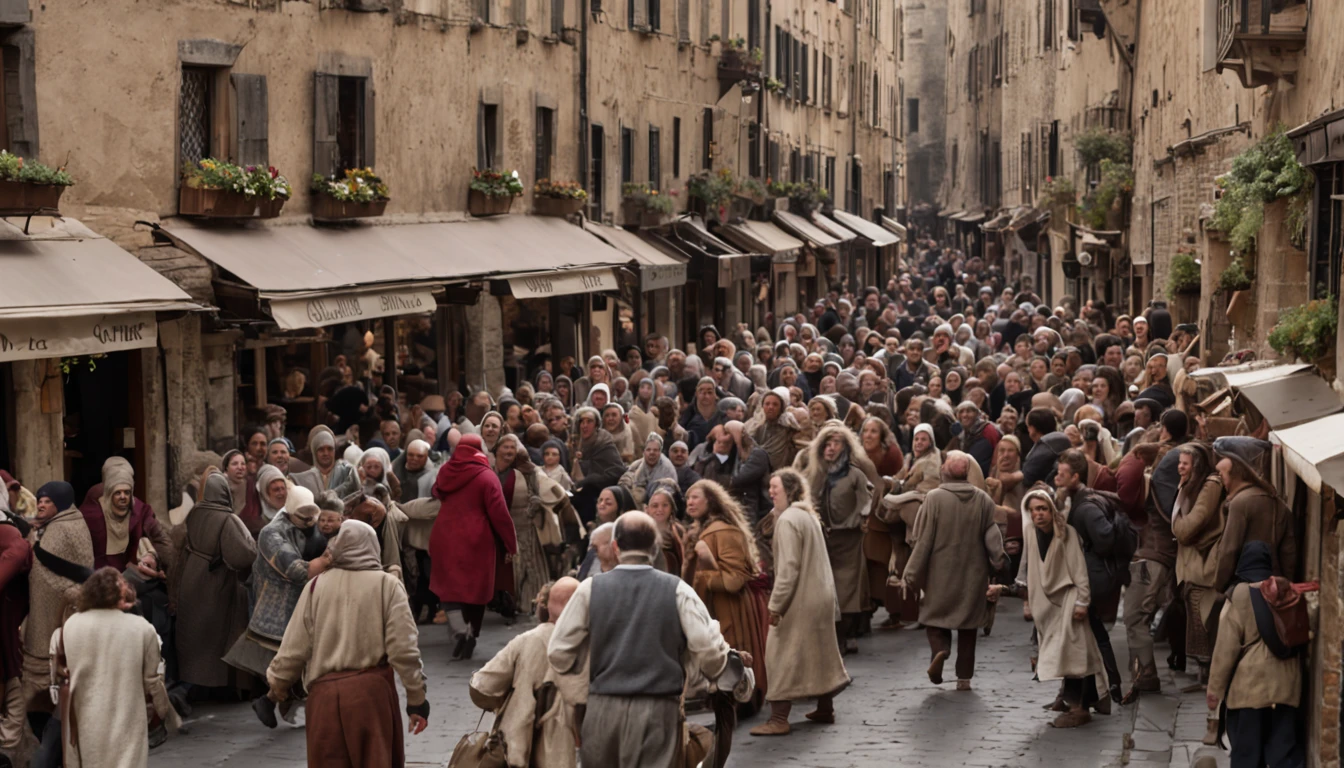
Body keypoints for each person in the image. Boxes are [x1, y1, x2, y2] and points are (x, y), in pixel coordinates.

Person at [548, 511, 743, 768]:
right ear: (654, 549)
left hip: (603, 707)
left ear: (616, 546)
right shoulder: (678, 590)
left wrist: (591, 677)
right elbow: (708, 651)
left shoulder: (589, 588)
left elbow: (559, 652)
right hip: (658, 709)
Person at [266, 520, 429, 768]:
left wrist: (277, 685)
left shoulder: (315, 587)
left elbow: (293, 648)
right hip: (371, 698)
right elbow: (404, 649)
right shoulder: (387, 585)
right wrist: (416, 699)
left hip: (324, 699)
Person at [989, 491, 1105, 728]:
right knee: (1075, 653)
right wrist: (1005, 589)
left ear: (1052, 510)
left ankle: (1078, 708)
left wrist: (1083, 601)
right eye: (1034, 510)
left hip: (1069, 598)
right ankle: (1086, 700)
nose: (1038, 514)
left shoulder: (1067, 534)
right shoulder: (1030, 533)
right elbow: (1030, 569)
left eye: (1042, 509)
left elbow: (1079, 569)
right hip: (1047, 605)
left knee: (1072, 653)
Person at [750, 470, 850, 736]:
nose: (771, 492)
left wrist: (776, 605)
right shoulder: (807, 516)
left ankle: (779, 718)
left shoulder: (788, 521)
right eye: (769, 487)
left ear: (790, 490)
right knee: (819, 652)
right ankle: (825, 707)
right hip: (820, 596)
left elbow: (789, 568)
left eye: (775, 487)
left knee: (779, 653)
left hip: (800, 599)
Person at [51, 567, 178, 768]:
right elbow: (152, 680)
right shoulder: (142, 628)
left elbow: (60, 668)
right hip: (127, 717)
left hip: (86, 716)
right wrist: (164, 711)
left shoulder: (71, 625)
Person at [899, 452, 1005, 690]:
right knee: (968, 628)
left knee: (935, 620)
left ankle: (941, 650)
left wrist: (911, 574)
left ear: (945, 471)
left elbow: (923, 541)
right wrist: (999, 562)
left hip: (940, 575)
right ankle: (964, 679)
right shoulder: (983, 500)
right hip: (973, 576)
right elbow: (993, 537)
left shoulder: (934, 498)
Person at [228, 485, 324, 727]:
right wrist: (329, 560)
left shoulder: (312, 523)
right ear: (290, 511)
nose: (309, 522)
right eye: (304, 518)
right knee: (293, 659)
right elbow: (295, 570)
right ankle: (273, 701)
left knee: (298, 659)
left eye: (313, 518)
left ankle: (273, 701)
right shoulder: (271, 534)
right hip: (278, 609)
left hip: (306, 605)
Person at [1206, 543, 1306, 768]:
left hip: (1250, 689)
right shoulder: (1286, 590)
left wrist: (1214, 691)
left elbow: (1225, 650)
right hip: (1287, 687)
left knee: (1247, 758)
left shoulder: (1239, 595)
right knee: (1283, 756)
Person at [469, 578, 587, 768]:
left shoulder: (526, 641)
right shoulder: (592, 645)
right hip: (571, 749)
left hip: (519, 747)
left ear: (546, 605)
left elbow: (483, 688)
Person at [429, 434, 518, 660]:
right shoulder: (487, 477)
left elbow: (436, 491)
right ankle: (472, 632)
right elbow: (499, 514)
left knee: (448, 587)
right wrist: (510, 543)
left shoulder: (446, 471)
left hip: (445, 535)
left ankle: (460, 631)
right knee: (476, 590)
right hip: (476, 539)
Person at [170, 471, 257, 693]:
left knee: (196, 632)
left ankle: (190, 686)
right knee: (214, 634)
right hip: (215, 580)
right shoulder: (227, 519)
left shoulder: (195, 513)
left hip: (192, 576)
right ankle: (206, 688)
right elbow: (243, 555)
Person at [682, 481, 768, 700]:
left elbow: (734, 580)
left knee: (736, 668)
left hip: (731, 609)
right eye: (688, 498)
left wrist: (703, 575)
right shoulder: (700, 531)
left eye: (696, 497)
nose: (690, 502)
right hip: (714, 610)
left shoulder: (724, 531)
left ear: (710, 501)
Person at [22, 482, 93, 736]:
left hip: (51, 624)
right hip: (64, 616)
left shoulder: (61, 528)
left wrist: (29, 542)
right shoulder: (69, 520)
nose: (41, 504)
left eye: (47, 501)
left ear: (60, 504)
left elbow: (42, 572)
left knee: (48, 686)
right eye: (40, 500)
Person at [1053, 449, 1123, 705]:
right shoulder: (1073, 499)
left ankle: (1109, 688)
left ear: (1076, 476)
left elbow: (1104, 538)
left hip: (1089, 578)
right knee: (1087, 634)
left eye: (1062, 474)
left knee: (1092, 634)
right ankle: (1078, 693)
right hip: (1085, 575)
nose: (1057, 478)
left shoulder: (1085, 506)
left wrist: (1089, 553)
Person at [800, 424, 874, 655]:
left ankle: (848, 633)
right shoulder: (814, 474)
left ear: (846, 447)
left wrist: (861, 517)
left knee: (848, 588)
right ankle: (833, 635)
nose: (831, 448)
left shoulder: (854, 474)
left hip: (849, 538)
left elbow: (866, 499)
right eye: (828, 444)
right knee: (826, 587)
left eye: (837, 443)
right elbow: (805, 499)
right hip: (822, 538)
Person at [77, 458, 173, 574]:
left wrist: (156, 560)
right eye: (117, 492)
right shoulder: (91, 512)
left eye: (127, 492)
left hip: (130, 575)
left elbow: (160, 539)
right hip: (99, 577)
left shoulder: (139, 509)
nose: (123, 497)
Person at [0, 493, 30, 763]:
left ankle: (8, 751)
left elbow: (20, 551)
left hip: (8, 624)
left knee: (12, 683)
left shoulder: (7, 529)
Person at [290, 426, 358, 497]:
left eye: (329, 449)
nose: (326, 453)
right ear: (315, 452)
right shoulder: (304, 478)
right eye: (321, 449)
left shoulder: (347, 472)